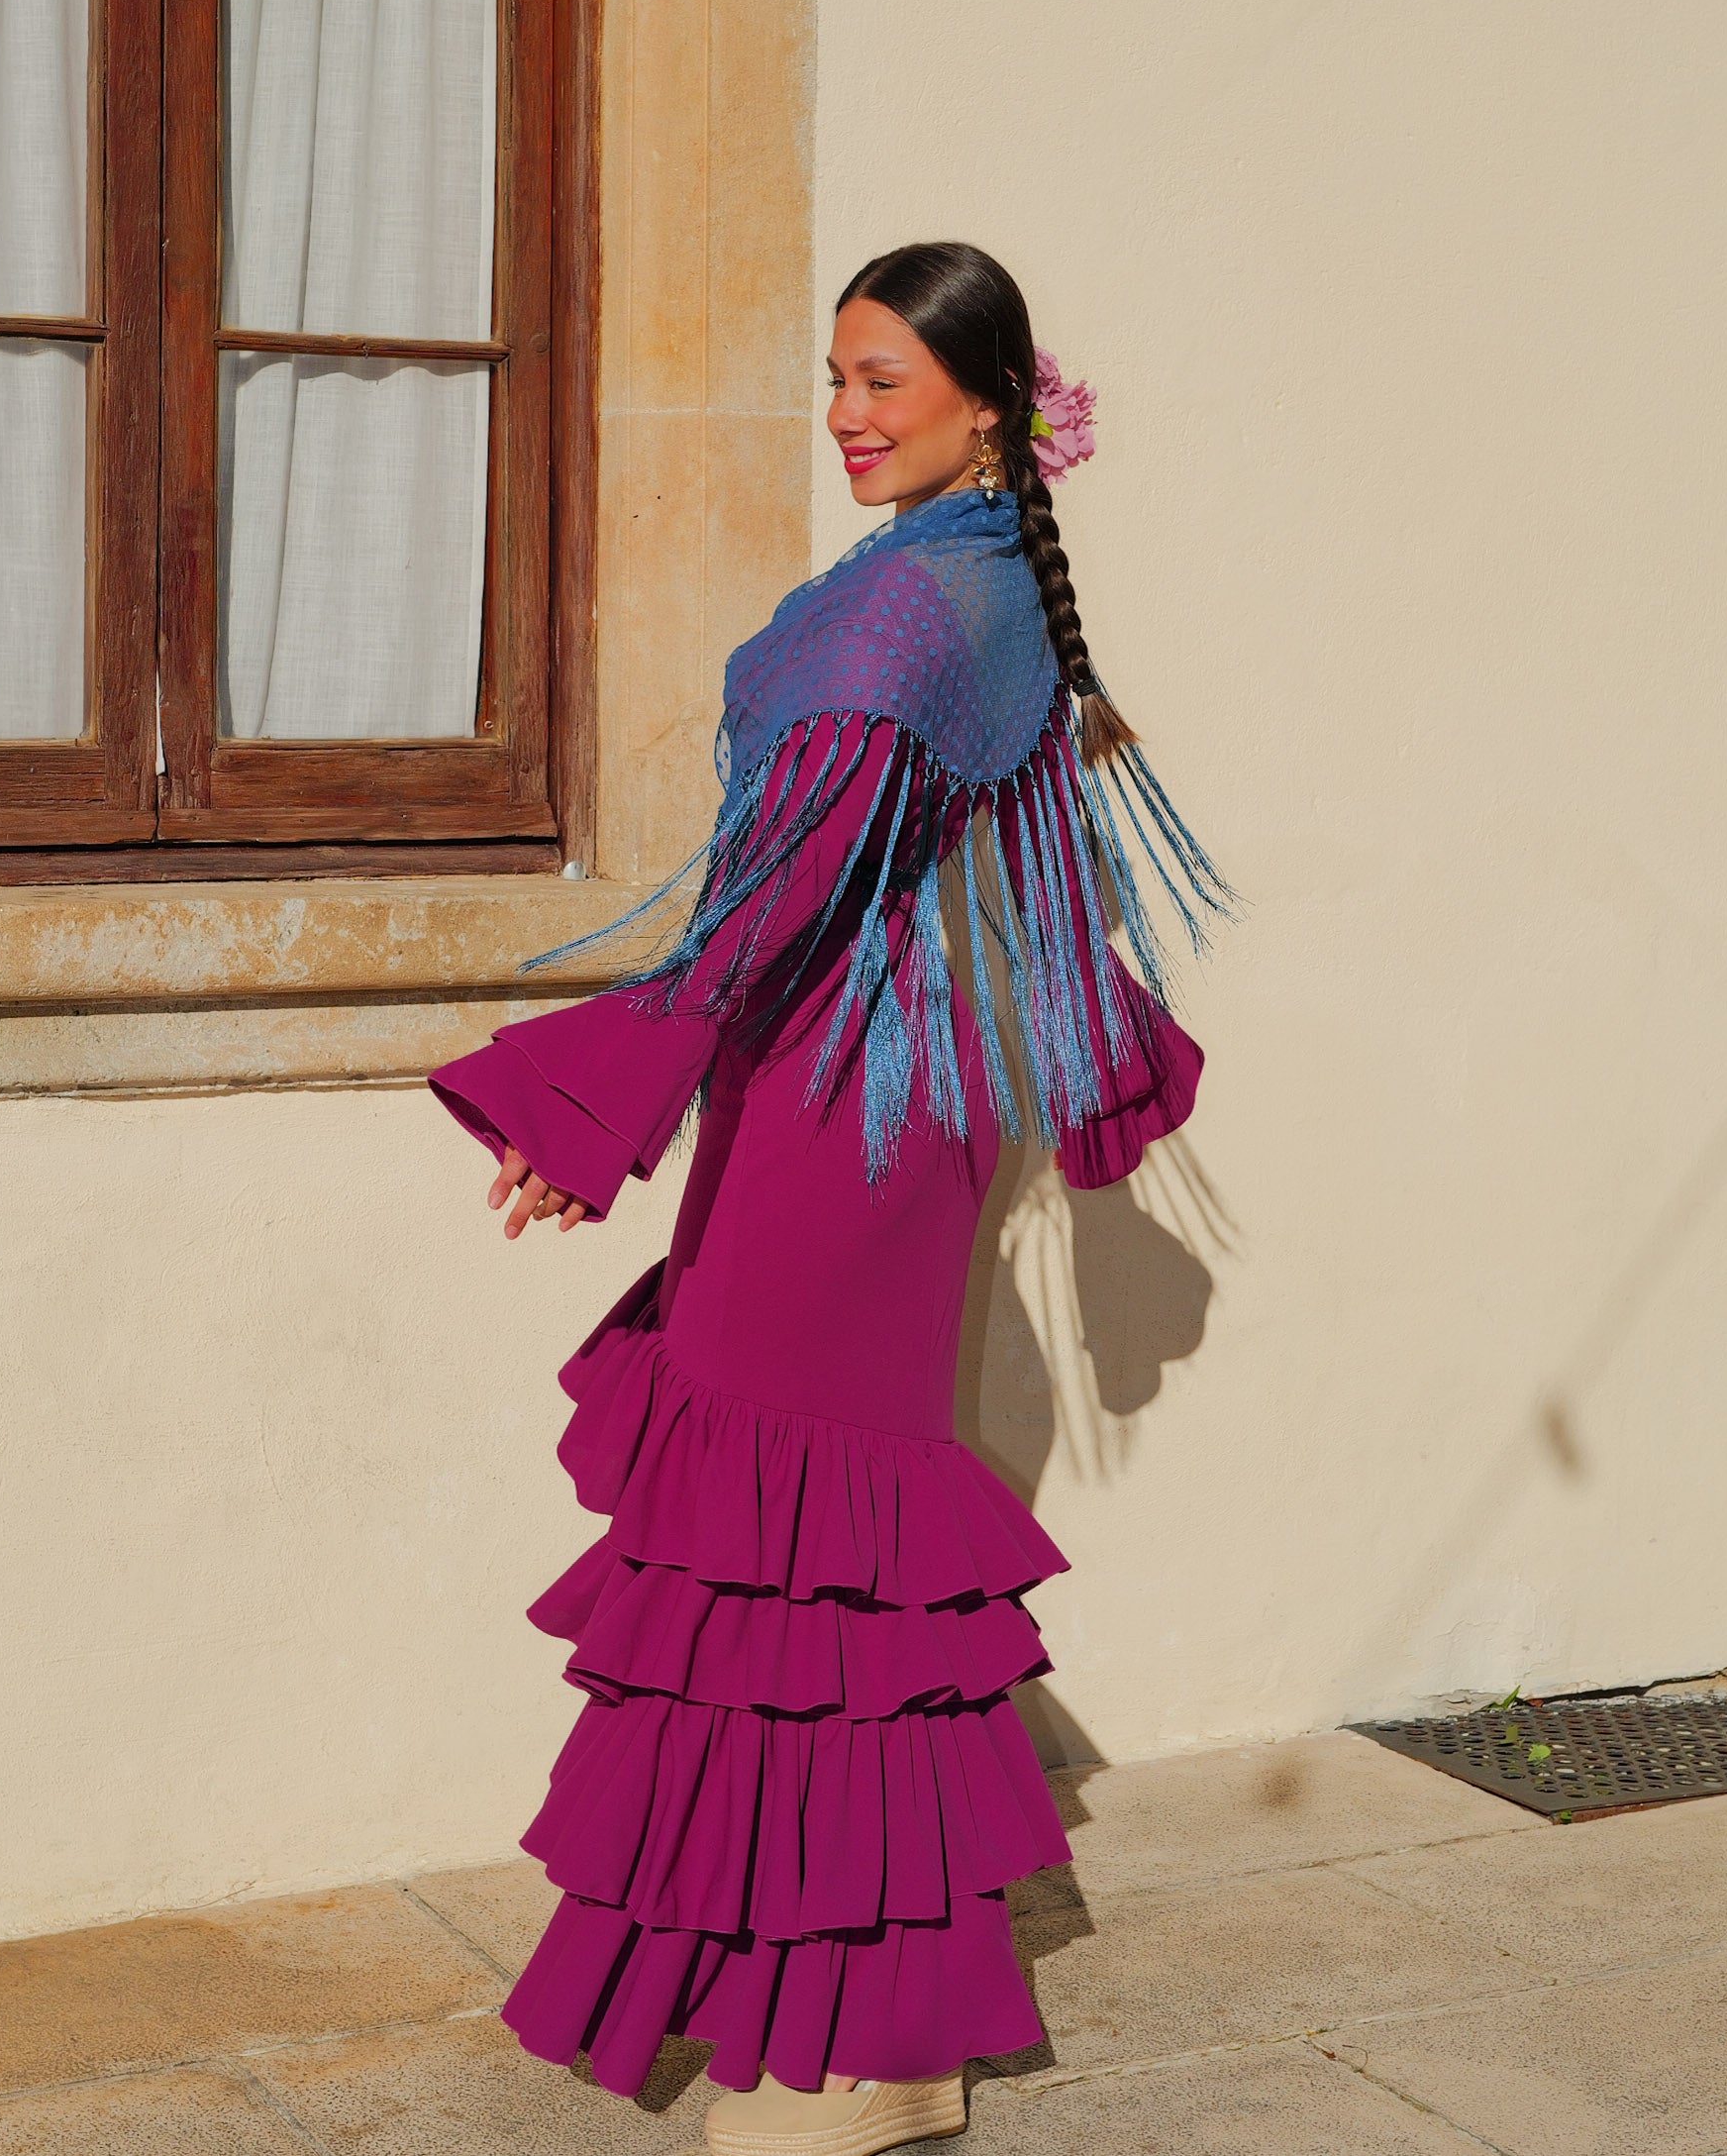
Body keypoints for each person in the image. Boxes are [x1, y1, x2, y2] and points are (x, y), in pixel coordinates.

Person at [429, 241, 1230, 2156]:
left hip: (843, 1117)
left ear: (987, 401)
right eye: (837, 376)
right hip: (859, 1105)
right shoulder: (960, 582)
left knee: (797, 1565)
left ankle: (857, 2051)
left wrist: (596, 1097)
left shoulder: (921, 613)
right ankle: (860, 2022)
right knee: (793, 1574)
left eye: (885, 380)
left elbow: (777, 899)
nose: (849, 414)